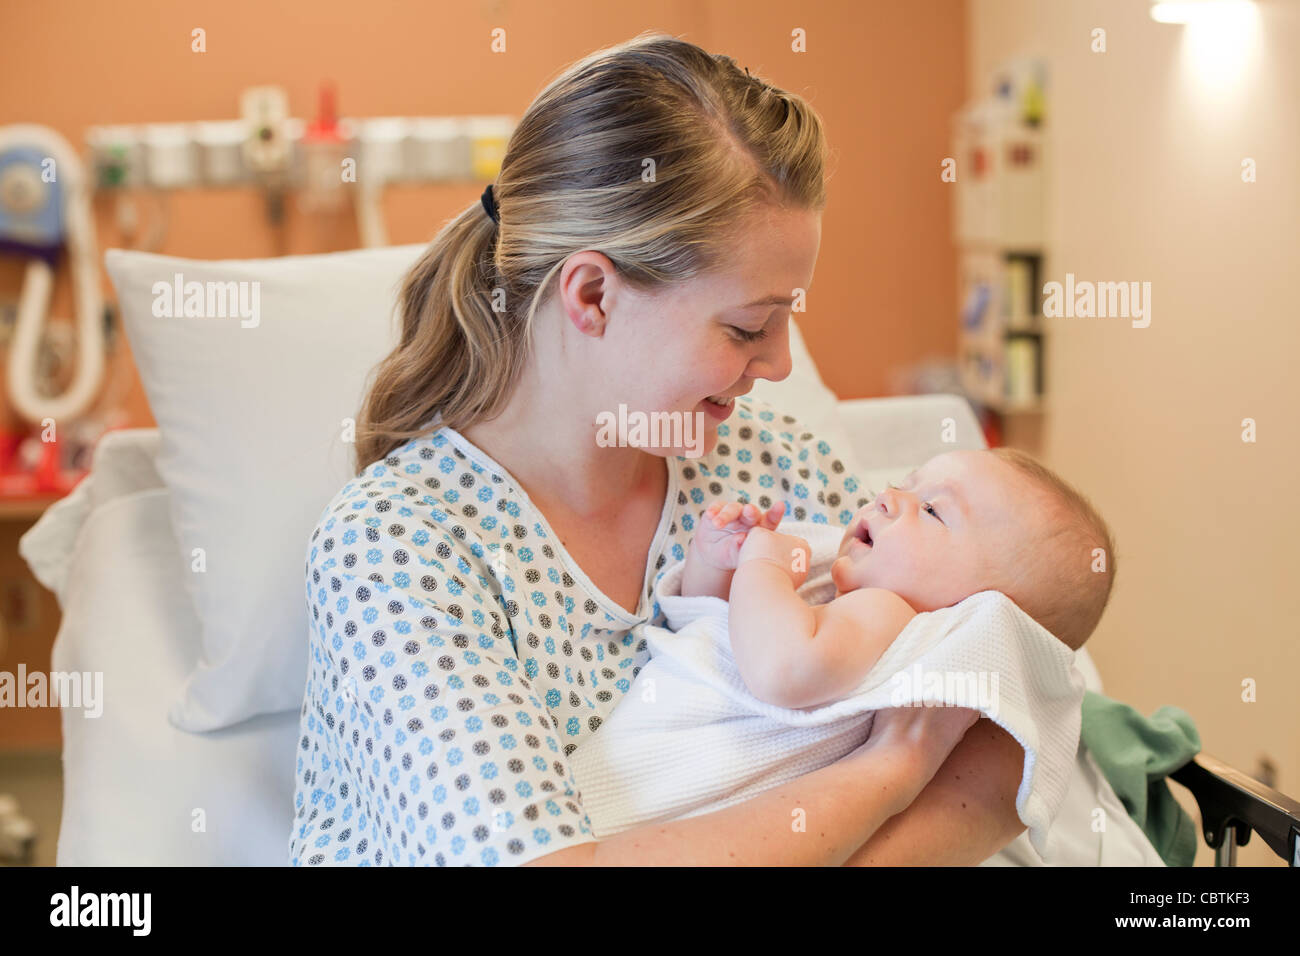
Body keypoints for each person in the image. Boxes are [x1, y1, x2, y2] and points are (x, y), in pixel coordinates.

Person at [288, 31, 1025, 867]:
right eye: (749, 325)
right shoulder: (401, 548)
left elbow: (1004, 730)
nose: (781, 363)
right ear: (593, 295)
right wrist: (892, 770)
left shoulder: (778, 468)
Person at [685, 447, 1116, 709]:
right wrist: (717, 564)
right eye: (904, 485)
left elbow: (781, 671)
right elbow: (710, 633)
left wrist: (764, 567)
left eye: (931, 510)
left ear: (980, 610)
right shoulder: (848, 597)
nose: (888, 497)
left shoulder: (892, 617)